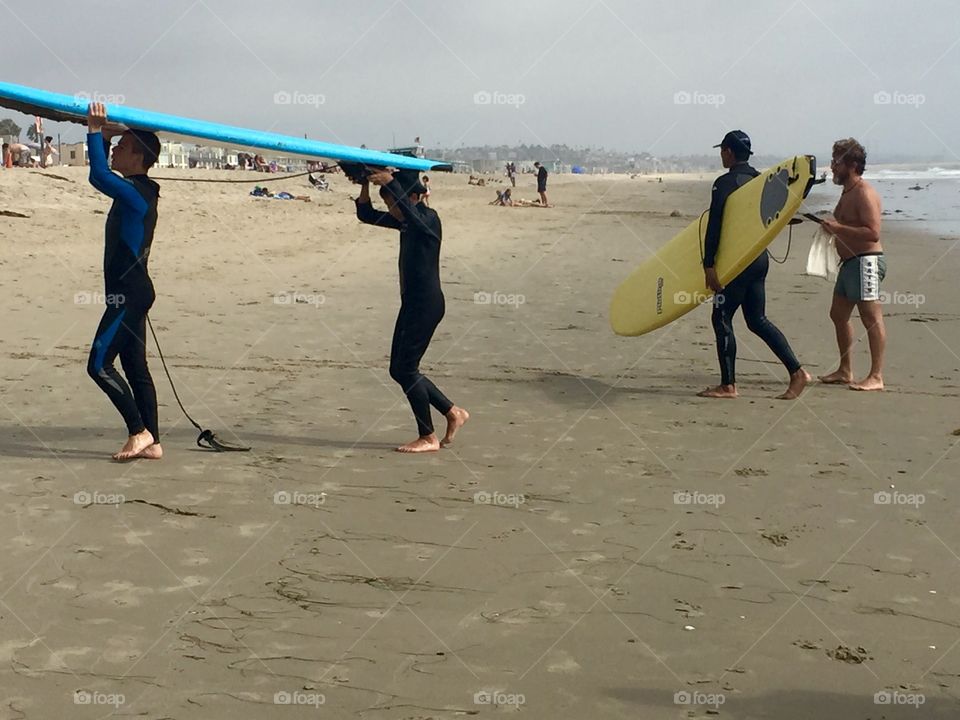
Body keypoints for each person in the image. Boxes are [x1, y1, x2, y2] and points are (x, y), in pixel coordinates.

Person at [353, 168, 469, 453]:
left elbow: (413, 215)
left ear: (415, 197)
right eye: (390, 204)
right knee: (399, 369)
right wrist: (365, 186)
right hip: (414, 303)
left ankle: (428, 437)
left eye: (395, 203)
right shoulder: (405, 221)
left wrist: (392, 182)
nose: (392, 210)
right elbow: (366, 215)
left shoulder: (428, 220)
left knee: (406, 369)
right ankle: (453, 412)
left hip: (426, 304)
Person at [699, 130, 809, 400]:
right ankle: (797, 373)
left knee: (721, 316)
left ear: (728, 152)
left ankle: (728, 385)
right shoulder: (761, 180)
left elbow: (715, 226)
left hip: (737, 263)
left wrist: (709, 265)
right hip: (759, 260)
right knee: (757, 320)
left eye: (722, 150)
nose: (721, 155)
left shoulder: (724, 183)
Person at [85, 102, 163, 461]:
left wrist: (95, 132)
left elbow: (97, 176)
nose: (115, 150)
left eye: (121, 147)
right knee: (135, 367)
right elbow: (103, 173)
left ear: (137, 157)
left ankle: (139, 431)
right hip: (132, 292)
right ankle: (154, 442)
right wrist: (107, 135)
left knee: (99, 364)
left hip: (128, 295)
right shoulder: (139, 190)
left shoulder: (134, 195)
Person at [820, 138, 885, 391]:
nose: (832, 166)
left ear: (852, 164)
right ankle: (845, 369)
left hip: (867, 262)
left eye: (836, 161)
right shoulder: (847, 191)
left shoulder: (863, 192)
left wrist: (838, 228)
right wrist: (832, 228)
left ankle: (876, 376)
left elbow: (873, 233)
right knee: (838, 314)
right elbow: (846, 225)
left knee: (871, 316)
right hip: (849, 263)